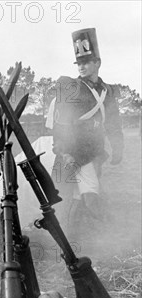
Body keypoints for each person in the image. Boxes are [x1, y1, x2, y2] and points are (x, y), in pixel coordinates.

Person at [49, 28, 123, 233]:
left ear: (97, 63)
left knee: (86, 199)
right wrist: (64, 152)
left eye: (86, 62)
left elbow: (114, 123)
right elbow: (60, 124)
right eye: (79, 63)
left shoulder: (107, 92)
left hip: (91, 153)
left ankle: (85, 238)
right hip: (69, 153)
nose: (81, 67)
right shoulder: (70, 87)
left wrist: (118, 148)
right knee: (59, 202)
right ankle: (57, 243)